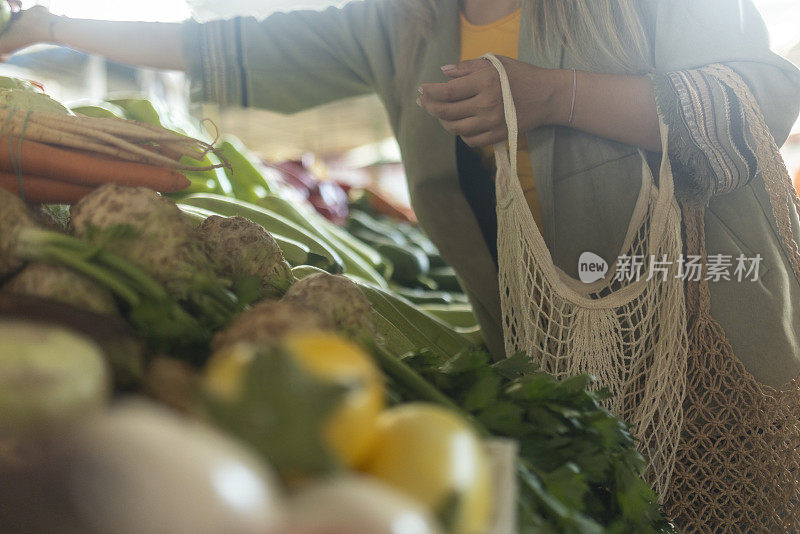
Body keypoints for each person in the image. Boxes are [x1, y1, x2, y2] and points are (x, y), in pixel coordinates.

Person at [3, 0, 800, 529]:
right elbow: (230, 44)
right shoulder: (404, 23)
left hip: (711, 345)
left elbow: (766, 96)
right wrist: (57, 24)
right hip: (556, 367)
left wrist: (557, 96)